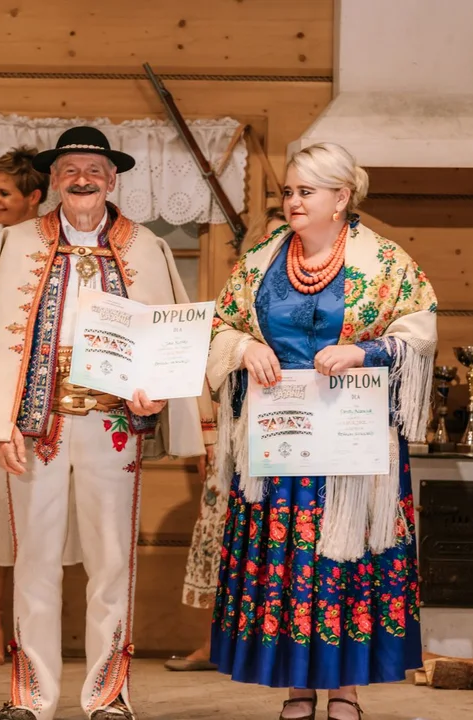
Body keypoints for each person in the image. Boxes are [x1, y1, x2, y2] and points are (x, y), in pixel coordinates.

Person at [0, 126, 215, 720]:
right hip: (37, 425)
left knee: (111, 561)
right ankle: (31, 697)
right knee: (35, 560)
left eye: (95, 170)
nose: (83, 179)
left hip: (113, 426)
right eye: (71, 169)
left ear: (113, 179)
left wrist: (157, 393)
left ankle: (108, 696)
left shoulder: (148, 247)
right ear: (53, 180)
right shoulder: (16, 243)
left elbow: (168, 337)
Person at [206, 143, 435, 720]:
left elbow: (420, 330)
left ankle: (345, 692)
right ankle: (297, 690)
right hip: (280, 442)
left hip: (350, 443)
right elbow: (220, 323)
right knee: (285, 561)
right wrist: (245, 347)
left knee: (346, 560)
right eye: (288, 191)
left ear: (342, 198)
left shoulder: (384, 261)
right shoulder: (260, 261)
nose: (293, 201)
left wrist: (363, 351)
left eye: (306, 192)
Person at [0, 146, 82, 667]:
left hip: (50, 398)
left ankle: (36, 630)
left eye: (4, 193)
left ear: (35, 196)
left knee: (38, 514)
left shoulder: (60, 244)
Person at [164, 206, 287, 673]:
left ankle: (270, 647)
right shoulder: (241, 295)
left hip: (289, 428)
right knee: (220, 535)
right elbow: (204, 371)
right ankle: (213, 645)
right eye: (274, 237)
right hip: (234, 432)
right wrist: (208, 438)